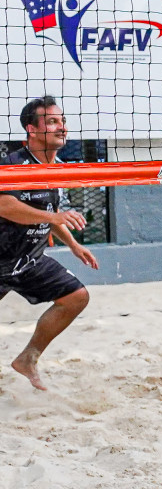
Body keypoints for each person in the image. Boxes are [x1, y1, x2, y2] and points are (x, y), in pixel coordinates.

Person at [0, 96, 99, 391]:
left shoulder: (58, 168)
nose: (62, 127)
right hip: (1, 257)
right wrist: (53, 216)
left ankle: (28, 358)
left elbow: (53, 214)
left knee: (76, 297)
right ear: (32, 129)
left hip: (28, 260)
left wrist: (73, 245)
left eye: (63, 121)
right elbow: (5, 206)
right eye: (53, 121)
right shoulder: (12, 163)